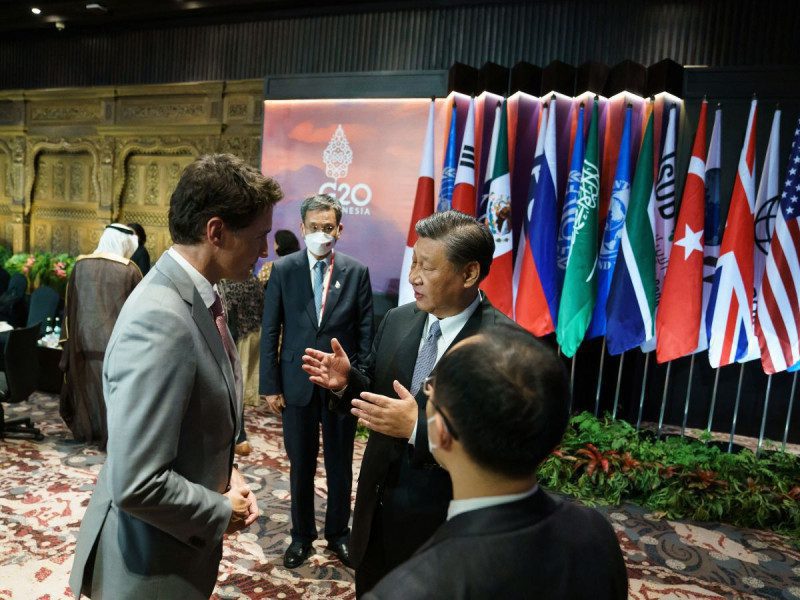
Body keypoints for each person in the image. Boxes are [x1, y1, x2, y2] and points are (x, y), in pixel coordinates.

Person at [69, 154, 282, 600]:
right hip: (148, 565)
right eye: (259, 237)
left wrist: (229, 475)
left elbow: (194, 423)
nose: (265, 251)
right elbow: (136, 482)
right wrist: (219, 508)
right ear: (216, 231)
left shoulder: (196, 298)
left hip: (173, 550)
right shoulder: (162, 319)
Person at [302, 210, 516, 595]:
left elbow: (504, 450)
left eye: (427, 267)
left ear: (469, 274)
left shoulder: (505, 347)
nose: (413, 276)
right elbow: (380, 398)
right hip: (375, 512)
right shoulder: (399, 320)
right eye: (413, 262)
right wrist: (346, 383)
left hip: (444, 528)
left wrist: (420, 430)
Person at [364, 326, 629, 599]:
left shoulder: (408, 590)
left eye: (431, 388)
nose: (427, 390)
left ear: (441, 432)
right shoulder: (595, 532)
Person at [260, 194, 373, 569]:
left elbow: (365, 333)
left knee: (341, 464)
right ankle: (301, 536)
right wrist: (270, 385)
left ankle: (339, 534)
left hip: (340, 386)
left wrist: (360, 382)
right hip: (297, 383)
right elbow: (271, 329)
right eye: (314, 228)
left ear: (339, 229)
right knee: (301, 464)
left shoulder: (356, 272)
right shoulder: (284, 269)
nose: (321, 234)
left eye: (328, 228)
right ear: (303, 227)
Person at [59, 223, 142, 449]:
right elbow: (140, 312)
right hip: (117, 345)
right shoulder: (129, 270)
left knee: (89, 386)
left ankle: (91, 429)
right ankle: (111, 434)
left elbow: (70, 308)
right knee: (112, 391)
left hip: (83, 341)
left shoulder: (80, 265)